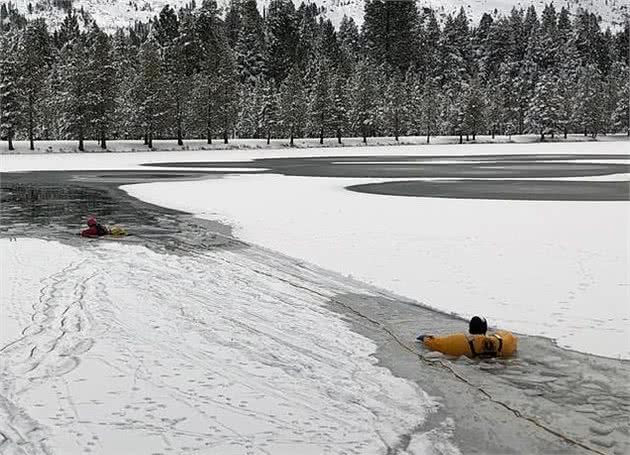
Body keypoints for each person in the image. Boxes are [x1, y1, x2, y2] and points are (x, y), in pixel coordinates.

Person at [416, 316, 517, 358]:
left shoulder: (459, 341)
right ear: (485, 330)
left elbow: (434, 343)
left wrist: (424, 338)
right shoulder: (502, 343)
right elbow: (510, 337)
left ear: (470, 329)